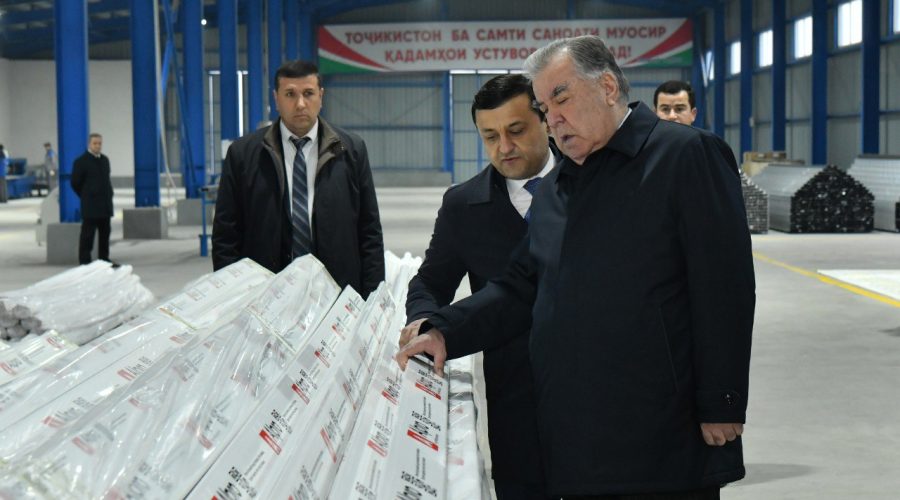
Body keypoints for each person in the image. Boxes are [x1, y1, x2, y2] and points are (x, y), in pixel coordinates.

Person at [396, 36, 755, 499]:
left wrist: (722, 399)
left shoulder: (682, 155)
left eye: (561, 98)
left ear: (607, 86)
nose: (554, 119)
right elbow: (520, 286)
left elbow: (724, 286)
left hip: (661, 433)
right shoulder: (562, 184)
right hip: (578, 436)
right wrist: (444, 331)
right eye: (545, 108)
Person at [402, 74, 557, 500]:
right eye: (490, 136)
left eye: (516, 130)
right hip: (515, 396)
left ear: (544, 119)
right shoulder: (464, 205)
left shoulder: (590, 184)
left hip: (597, 395)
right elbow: (430, 280)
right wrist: (423, 321)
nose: (504, 147)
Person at [213, 60, 384, 298]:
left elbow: (369, 231)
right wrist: (231, 298)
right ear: (276, 99)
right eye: (290, 94)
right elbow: (226, 237)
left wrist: (372, 298)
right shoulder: (243, 155)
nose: (300, 103)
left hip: (337, 293)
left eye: (308, 93)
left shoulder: (351, 150)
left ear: (321, 96)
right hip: (264, 296)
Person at [71, 133, 114, 265]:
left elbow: (107, 180)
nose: (98, 146)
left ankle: (104, 259)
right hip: (90, 206)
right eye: (95, 143)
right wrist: (86, 195)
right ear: (89, 144)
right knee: (87, 235)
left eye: (100, 143)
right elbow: (75, 183)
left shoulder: (105, 160)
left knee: (105, 234)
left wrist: (109, 193)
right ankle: (85, 261)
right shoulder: (81, 162)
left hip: (105, 205)